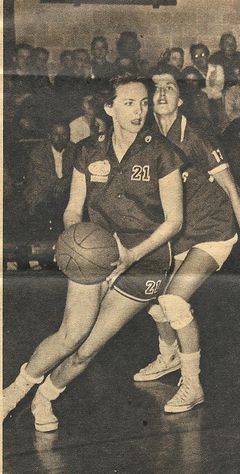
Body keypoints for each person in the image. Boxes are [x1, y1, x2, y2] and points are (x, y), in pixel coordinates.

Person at [3, 75, 184, 431]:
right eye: (129, 103)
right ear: (109, 107)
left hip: (145, 261)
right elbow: (73, 208)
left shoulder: (162, 152)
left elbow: (174, 221)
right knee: (72, 334)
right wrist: (73, 237)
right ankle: (13, 392)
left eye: (144, 102)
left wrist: (132, 254)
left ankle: (45, 399)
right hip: (96, 251)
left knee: (88, 349)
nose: (139, 110)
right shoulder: (87, 150)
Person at [132, 65, 240, 413]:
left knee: (174, 301)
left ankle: (192, 385)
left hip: (213, 231)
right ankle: (168, 356)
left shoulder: (198, 136)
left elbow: (233, 189)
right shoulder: (148, 138)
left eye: (169, 88)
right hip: (179, 234)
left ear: (180, 98)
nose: (161, 95)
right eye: (156, 88)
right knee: (151, 298)